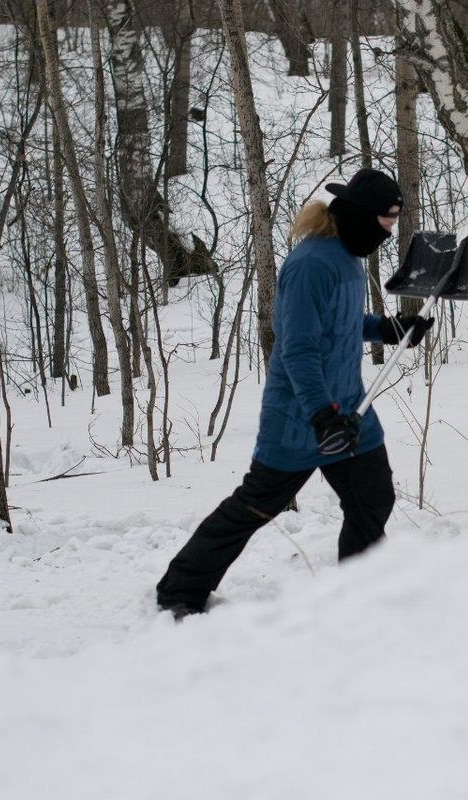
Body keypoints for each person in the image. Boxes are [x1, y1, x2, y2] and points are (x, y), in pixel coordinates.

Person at [156, 168, 433, 618]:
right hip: (303, 416)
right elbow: (297, 346)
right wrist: (322, 416)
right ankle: (179, 590)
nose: (390, 228)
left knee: (373, 498)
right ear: (362, 214)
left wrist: (386, 327)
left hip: (351, 409)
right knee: (255, 506)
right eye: (387, 218)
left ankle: (360, 590)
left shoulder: (347, 255)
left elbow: (338, 320)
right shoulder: (308, 265)